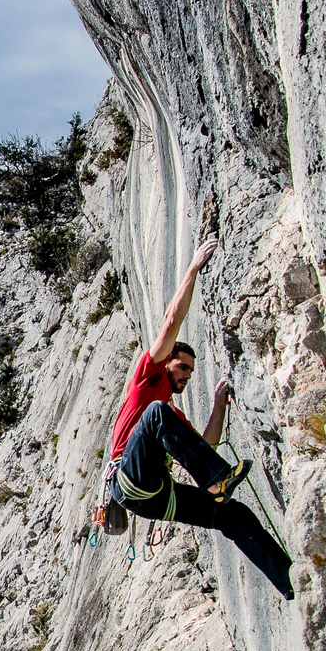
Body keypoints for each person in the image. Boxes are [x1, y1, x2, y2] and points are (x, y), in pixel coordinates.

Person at [107, 235, 294, 599]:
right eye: (182, 367)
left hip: (156, 495)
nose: (185, 376)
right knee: (157, 413)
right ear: (166, 361)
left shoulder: (169, 420)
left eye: (190, 373)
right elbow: (171, 320)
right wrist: (193, 267)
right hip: (128, 478)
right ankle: (215, 478)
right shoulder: (148, 379)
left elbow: (205, 444)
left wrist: (220, 401)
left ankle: (289, 582)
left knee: (230, 515)